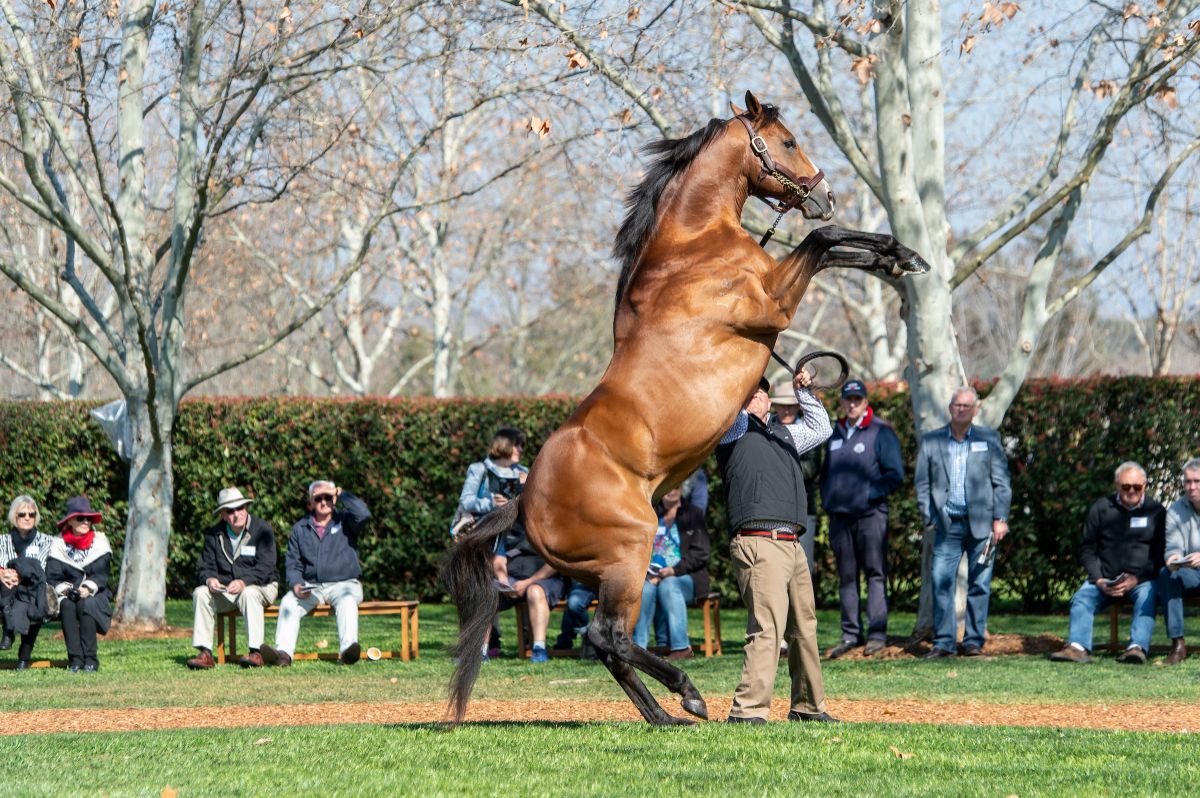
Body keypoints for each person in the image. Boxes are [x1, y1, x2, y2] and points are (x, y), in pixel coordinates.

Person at [719, 371, 836, 724]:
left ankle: (807, 707)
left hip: (791, 543)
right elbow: (731, 408)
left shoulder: (784, 433)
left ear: (770, 400)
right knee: (767, 628)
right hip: (758, 540)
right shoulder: (733, 429)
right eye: (749, 391)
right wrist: (741, 380)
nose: (755, 395)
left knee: (804, 628)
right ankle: (748, 711)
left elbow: (821, 429)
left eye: (761, 391)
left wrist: (804, 393)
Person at [914, 386, 1012, 658]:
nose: (961, 410)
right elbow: (922, 484)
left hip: (983, 526)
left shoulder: (988, 439)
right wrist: (930, 517)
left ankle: (973, 641)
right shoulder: (932, 440)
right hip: (947, 525)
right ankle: (944, 642)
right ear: (950, 408)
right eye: (957, 405)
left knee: (979, 584)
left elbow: (1002, 483)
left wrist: (1000, 519)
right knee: (941, 582)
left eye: (966, 406)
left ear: (975, 410)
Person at [819, 379, 904, 658]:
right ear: (842, 402)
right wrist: (829, 500)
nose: (852, 404)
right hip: (840, 518)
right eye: (848, 399)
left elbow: (895, 474)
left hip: (870, 516)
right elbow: (825, 474)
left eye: (857, 399)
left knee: (875, 574)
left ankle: (877, 634)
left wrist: (869, 494)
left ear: (866, 402)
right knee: (846, 577)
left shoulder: (881, 431)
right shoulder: (835, 432)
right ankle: (850, 634)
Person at [1050, 462, 1165, 664]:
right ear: (1116, 485)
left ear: (1145, 486)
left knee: (1147, 596)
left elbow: (1160, 554)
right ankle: (1077, 647)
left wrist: (1137, 578)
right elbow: (1087, 548)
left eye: (1137, 487)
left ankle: (1136, 648)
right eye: (1125, 486)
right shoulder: (1101, 508)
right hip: (1105, 579)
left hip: (1141, 581)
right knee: (1082, 598)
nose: (1131, 491)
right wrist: (1099, 579)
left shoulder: (1156, 511)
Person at [261, 481, 371, 667]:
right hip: (312, 587)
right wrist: (296, 584)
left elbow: (364, 514)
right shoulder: (300, 528)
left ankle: (348, 652)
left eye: (328, 497)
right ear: (311, 502)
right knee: (288, 601)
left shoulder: (346, 521)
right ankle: (283, 655)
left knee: (347, 601)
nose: (323, 502)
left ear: (334, 498)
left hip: (344, 584)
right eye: (318, 498)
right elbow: (293, 563)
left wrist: (341, 493)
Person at [185, 487, 279, 670]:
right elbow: (204, 567)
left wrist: (244, 581)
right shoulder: (213, 534)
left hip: (263, 586)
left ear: (246, 507)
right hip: (227, 590)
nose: (237, 514)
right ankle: (205, 653)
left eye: (240, 508)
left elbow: (267, 567)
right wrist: (210, 579)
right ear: (222, 515)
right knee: (200, 593)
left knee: (249, 593)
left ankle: (256, 652)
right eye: (230, 511)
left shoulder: (262, 529)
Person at [458, 427, 528, 657]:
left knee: (494, 589)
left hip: (511, 541)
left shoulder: (524, 472)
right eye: (517, 444)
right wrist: (491, 503)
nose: (520, 450)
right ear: (504, 445)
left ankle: (491, 643)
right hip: (481, 539)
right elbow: (466, 501)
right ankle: (477, 647)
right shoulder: (479, 469)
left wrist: (525, 490)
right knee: (477, 591)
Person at [632, 486, 711, 659]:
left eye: (676, 485)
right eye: (668, 485)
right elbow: (637, 549)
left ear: (682, 488)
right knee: (644, 589)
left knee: (669, 585)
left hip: (685, 578)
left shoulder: (693, 514)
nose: (671, 490)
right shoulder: (649, 513)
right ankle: (639, 649)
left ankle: (681, 647)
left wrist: (674, 570)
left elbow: (701, 553)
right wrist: (648, 575)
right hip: (651, 577)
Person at [46, 496, 112, 673]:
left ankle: (90, 659)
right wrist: (68, 590)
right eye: (80, 518)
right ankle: (75, 659)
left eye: (88, 518)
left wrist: (88, 588)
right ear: (70, 521)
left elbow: (102, 574)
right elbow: (53, 576)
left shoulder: (100, 542)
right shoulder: (58, 544)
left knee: (86, 604)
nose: (85, 522)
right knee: (67, 605)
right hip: (66, 594)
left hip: (96, 593)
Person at [770, 386, 821, 576]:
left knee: (802, 569)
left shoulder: (809, 430)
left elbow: (812, 468)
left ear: (798, 407)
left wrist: (779, 467)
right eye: (783, 405)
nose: (787, 410)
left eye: (791, 405)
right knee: (775, 569)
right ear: (775, 406)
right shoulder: (766, 430)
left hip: (803, 509)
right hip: (772, 510)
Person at [497, 522, 565, 663]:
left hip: (546, 579)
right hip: (512, 579)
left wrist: (528, 582)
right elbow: (498, 558)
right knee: (484, 593)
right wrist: (503, 581)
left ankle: (539, 650)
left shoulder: (550, 524)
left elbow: (556, 561)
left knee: (535, 591)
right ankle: (479, 650)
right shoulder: (507, 526)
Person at [0, 496, 54, 668]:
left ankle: (23, 654)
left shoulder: (46, 541)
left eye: (32, 514)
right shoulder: (2, 540)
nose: (27, 518)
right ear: (14, 516)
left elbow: (43, 567)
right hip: (7, 588)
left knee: (34, 601)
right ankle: (9, 631)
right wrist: (1, 573)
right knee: (7, 584)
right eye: (22, 514)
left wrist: (21, 574)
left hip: (34, 587)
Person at [1157, 458, 1200, 665]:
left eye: (1197, 481)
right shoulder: (1175, 510)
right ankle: (1178, 644)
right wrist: (1173, 559)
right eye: (1187, 481)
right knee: (1167, 575)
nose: (1191, 487)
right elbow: (1173, 545)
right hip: (1191, 572)